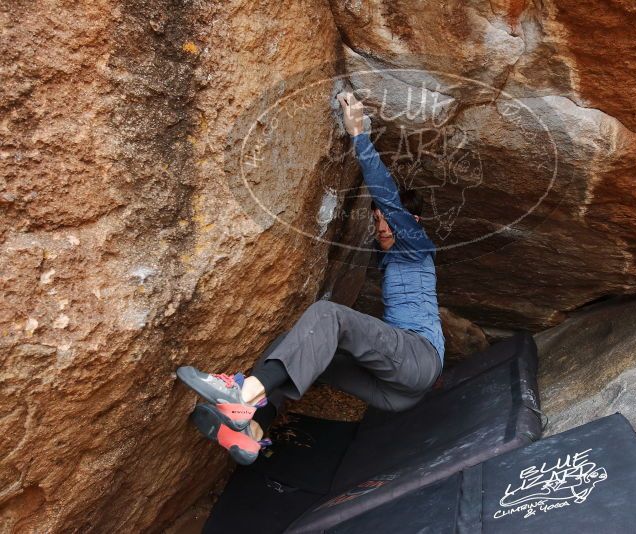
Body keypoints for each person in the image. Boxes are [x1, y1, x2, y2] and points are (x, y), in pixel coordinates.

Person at [177, 92, 445, 465]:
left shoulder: (417, 244)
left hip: (419, 359)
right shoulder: (391, 257)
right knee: (299, 348)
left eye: (388, 220)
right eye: (378, 221)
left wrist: (358, 133)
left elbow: (387, 198)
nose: (382, 226)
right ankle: (253, 432)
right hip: (396, 392)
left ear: (413, 223)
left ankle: (243, 393)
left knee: (327, 315)